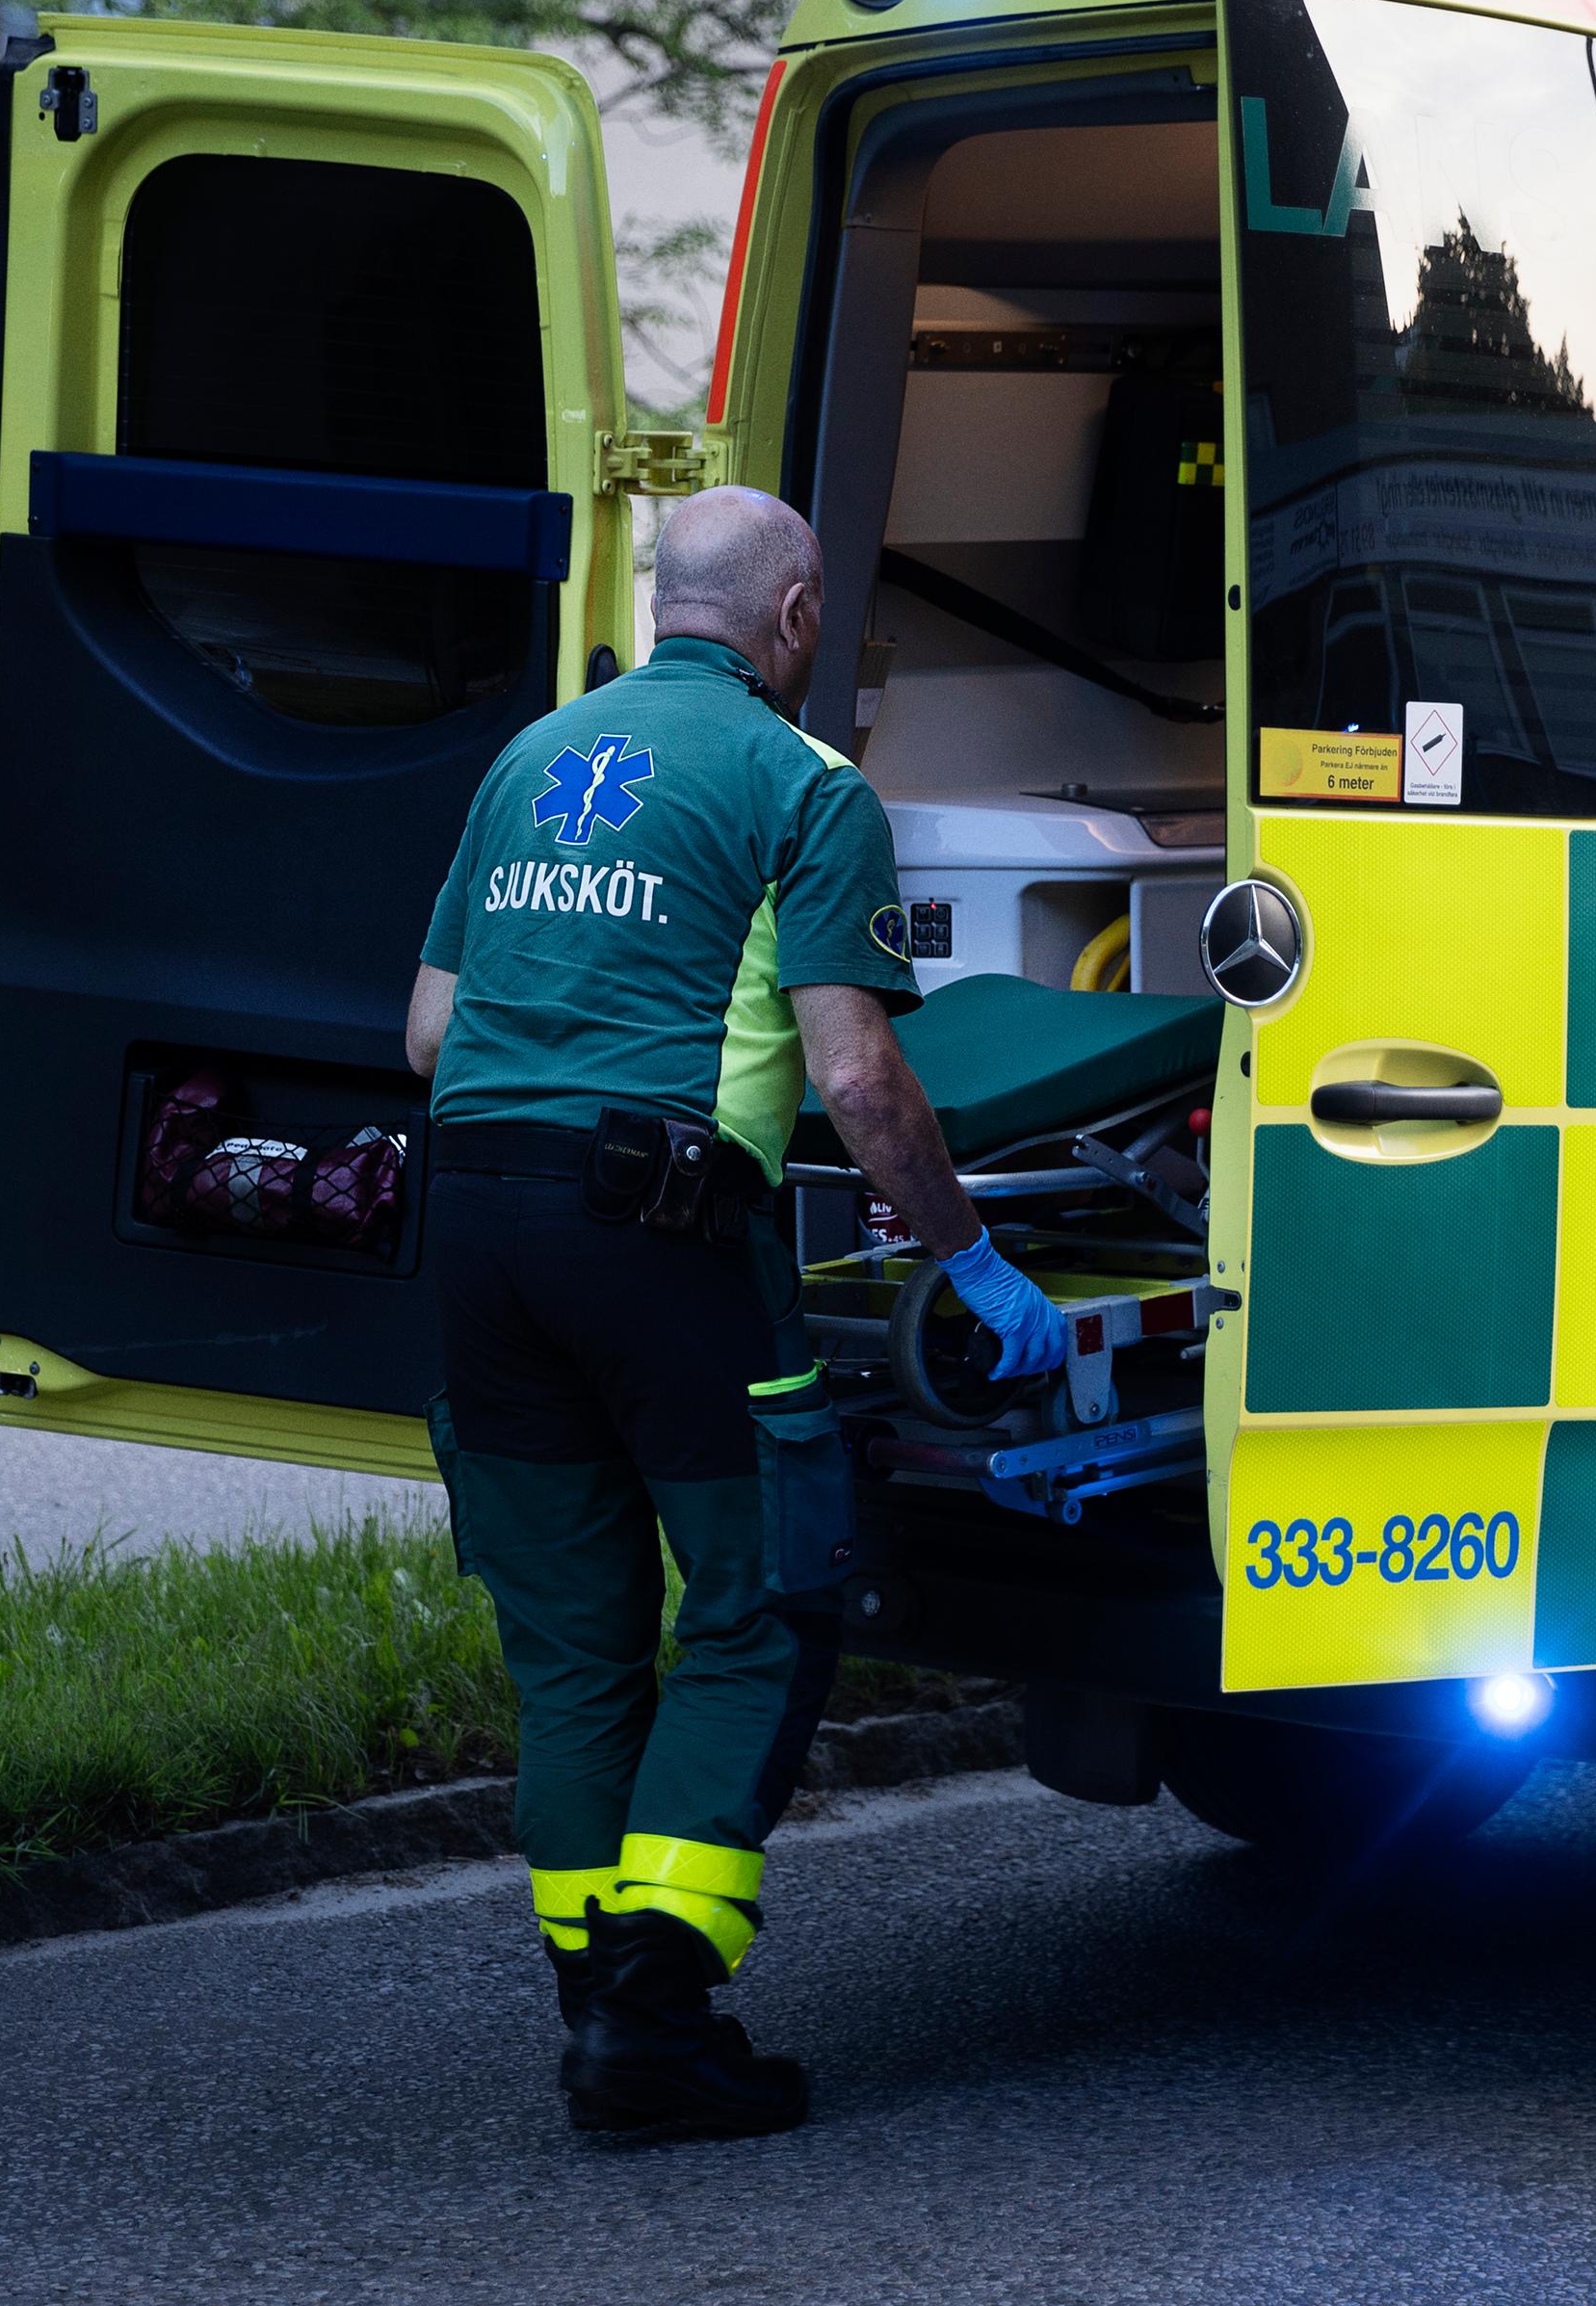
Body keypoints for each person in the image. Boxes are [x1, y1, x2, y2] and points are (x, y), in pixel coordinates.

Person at [406, 485, 1072, 2140]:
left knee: (570, 1643)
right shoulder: (803, 783)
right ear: (791, 622)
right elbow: (857, 1074)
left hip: (474, 1227)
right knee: (764, 1594)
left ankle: (596, 2000)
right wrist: (967, 1255)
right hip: (661, 1233)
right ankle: (655, 2008)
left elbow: (428, 1033)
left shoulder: (532, 762)